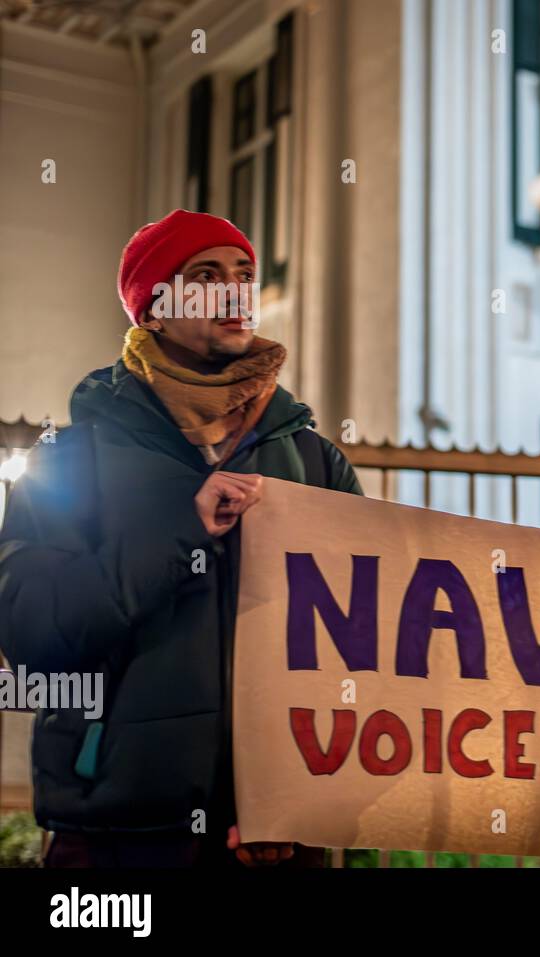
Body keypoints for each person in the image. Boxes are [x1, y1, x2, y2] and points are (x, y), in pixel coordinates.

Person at [0, 210, 362, 867]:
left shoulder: (314, 461)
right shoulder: (69, 461)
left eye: (245, 274)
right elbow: (33, 641)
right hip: (115, 841)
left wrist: (297, 801)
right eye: (204, 275)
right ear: (153, 311)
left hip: (274, 841)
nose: (234, 290)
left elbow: (359, 654)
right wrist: (179, 532)